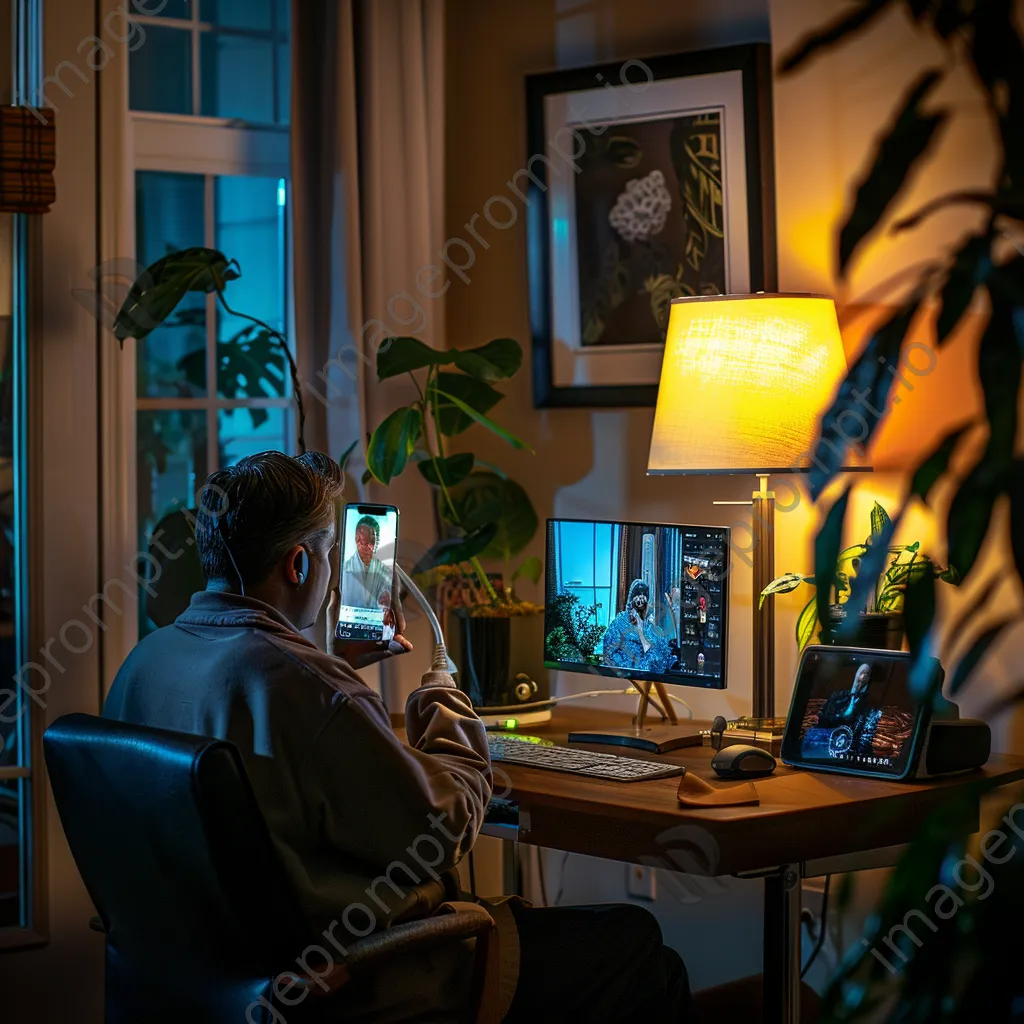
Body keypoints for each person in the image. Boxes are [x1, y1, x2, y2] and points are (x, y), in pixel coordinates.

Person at [103, 451, 694, 1022]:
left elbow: (257, 721)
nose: (335, 573)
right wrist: (440, 695)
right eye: (332, 554)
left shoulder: (143, 666)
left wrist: (331, 671)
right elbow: (442, 832)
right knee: (641, 948)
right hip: (364, 981)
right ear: (300, 565)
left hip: (209, 983)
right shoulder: (305, 687)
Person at [602, 579, 679, 674]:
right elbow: (609, 653)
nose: (641, 598)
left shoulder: (653, 629)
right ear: (631, 599)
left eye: (644, 594)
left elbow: (663, 659)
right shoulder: (620, 622)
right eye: (637, 594)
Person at [812, 661, 882, 757]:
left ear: (869, 679)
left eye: (866, 674)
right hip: (825, 745)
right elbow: (823, 719)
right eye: (861, 673)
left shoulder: (869, 708)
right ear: (856, 674)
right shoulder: (837, 697)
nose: (862, 677)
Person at [340, 514, 395, 627]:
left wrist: (385, 608)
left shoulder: (385, 572)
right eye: (362, 540)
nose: (369, 545)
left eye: (373, 539)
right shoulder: (344, 571)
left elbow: (385, 603)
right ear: (356, 540)